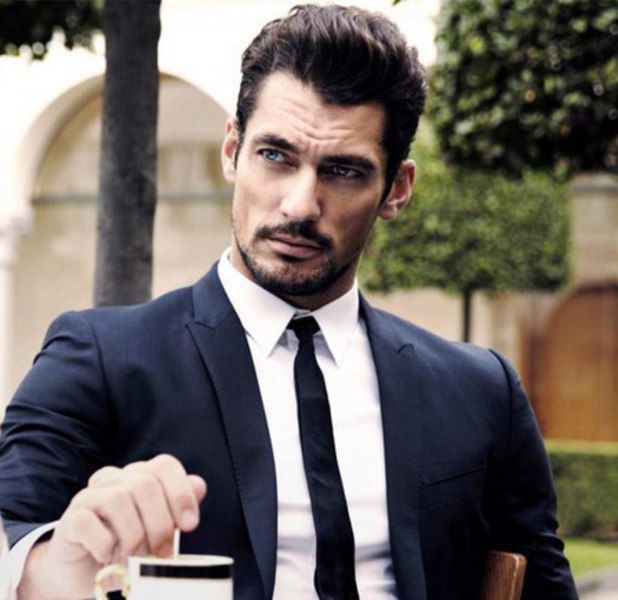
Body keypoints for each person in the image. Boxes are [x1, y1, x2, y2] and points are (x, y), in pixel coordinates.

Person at [0, 4, 577, 600]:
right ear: (232, 150)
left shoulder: (480, 391)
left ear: (396, 190)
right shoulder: (98, 359)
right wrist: (59, 562)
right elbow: (13, 540)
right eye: (275, 155)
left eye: (344, 171)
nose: (300, 205)